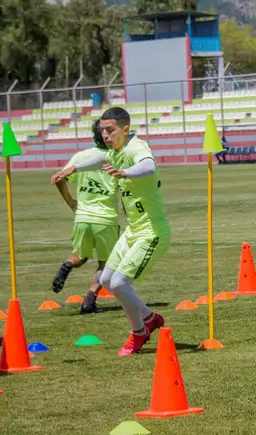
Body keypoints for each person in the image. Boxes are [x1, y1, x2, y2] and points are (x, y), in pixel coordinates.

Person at [50, 107, 170, 356]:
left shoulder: (137, 147)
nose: (105, 135)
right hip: (133, 230)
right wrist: (74, 169)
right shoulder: (114, 152)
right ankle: (149, 318)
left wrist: (126, 172)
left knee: (118, 282)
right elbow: (101, 159)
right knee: (105, 280)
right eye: (102, 130)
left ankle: (139, 332)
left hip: (151, 231)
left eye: (110, 130)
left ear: (125, 129)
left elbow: (147, 166)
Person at [51, 119, 119, 314]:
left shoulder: (81, 156)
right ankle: (89, 301)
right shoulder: (114, 156)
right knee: (107, 263)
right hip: (105, 218)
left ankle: (67, 265)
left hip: (82, 217)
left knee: (79, 257)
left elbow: (60, 177)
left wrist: (71, 201)